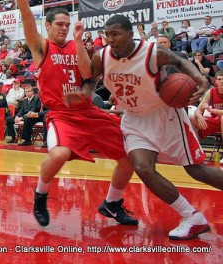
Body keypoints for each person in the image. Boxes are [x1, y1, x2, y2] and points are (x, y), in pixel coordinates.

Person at [12, 0, 137, 228]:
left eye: (67, 26)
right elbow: (25, 16)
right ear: (48, 26)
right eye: (59, 25)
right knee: (58, 155)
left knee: (129, 158)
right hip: (61, 115)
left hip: (89, 112)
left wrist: (79, 41)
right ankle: (40, 196)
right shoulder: (41, 47)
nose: (64, 29)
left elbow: (86, 74)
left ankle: (112, 204)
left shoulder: (76, 45)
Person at [76, 14, 223, 240]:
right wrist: (82, 94)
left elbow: (179, 61)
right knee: (143, 167)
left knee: (196, 171)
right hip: (134, 119)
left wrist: (200, 79)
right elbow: (91, 80)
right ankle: (192, 217)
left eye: (115, 34)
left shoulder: (152, 52)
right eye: (107, 35)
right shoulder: (101, 57)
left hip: (165, 115)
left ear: (130, 34)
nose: (110, 39)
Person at [190, 71, 223, 148]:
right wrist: (199, 116)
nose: (222, 81)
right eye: (219, 79)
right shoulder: (211, 92)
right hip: (215, 121)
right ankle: (195, 148)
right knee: (191, 118)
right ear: (216, 82)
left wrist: (211, 110)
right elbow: (198, 110)